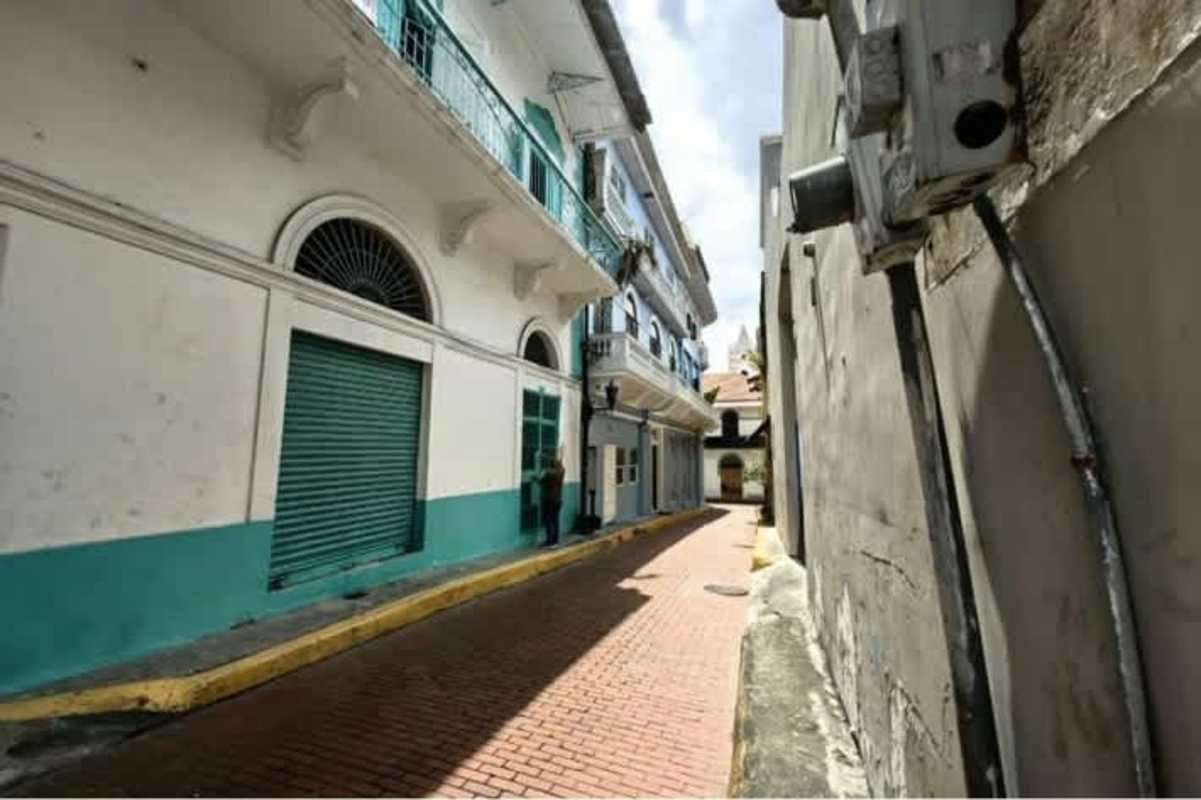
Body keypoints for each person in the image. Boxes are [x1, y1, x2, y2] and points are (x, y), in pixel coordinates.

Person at [539, 456, 566, 547]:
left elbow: (540, 481)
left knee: (548, 520)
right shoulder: (561, 472)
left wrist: (541, 473)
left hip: (549, 499)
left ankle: (550, 540)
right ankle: (555, 541)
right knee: (555, 520)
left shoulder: (549, 473)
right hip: (558, 500)